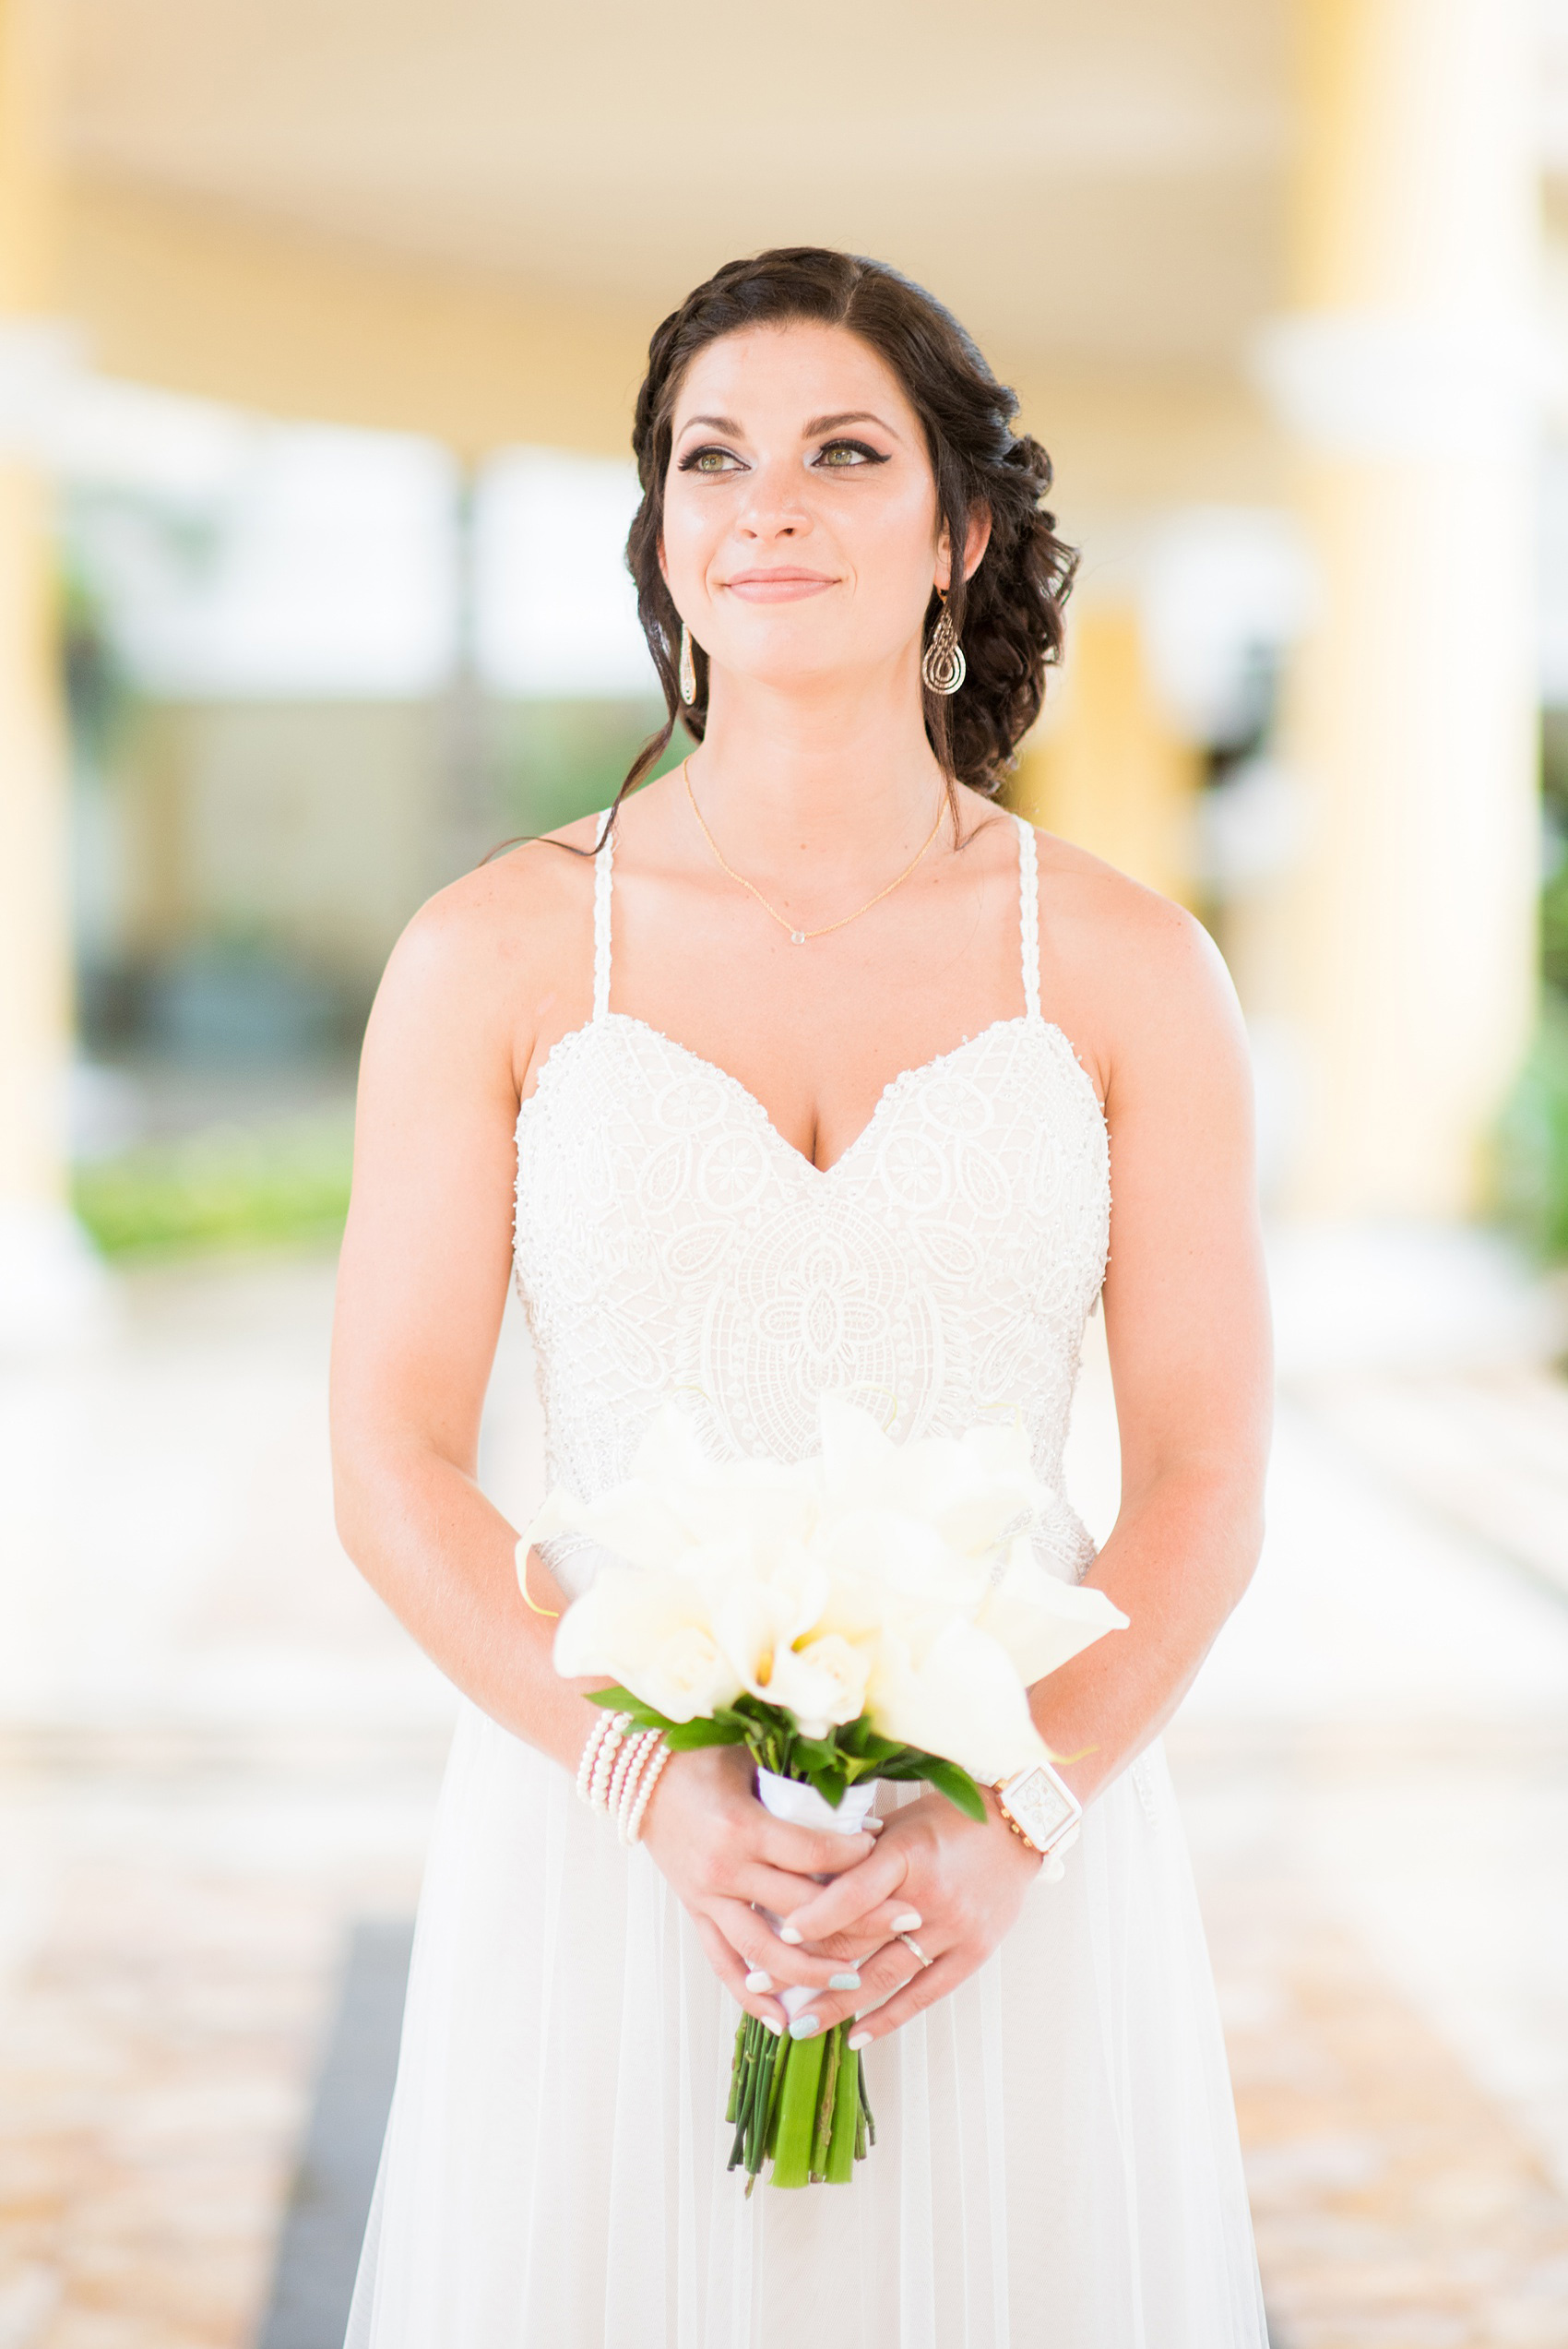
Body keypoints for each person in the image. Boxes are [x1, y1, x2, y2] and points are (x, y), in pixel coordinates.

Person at [331, 247, 1272, 2347]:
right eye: (710, 457)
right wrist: (649, 1784)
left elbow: (1206, 1472)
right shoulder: (492, 952)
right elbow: (388, 1456)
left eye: (843, 453)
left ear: (957, 536)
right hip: (608, 1847)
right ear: (663, 538)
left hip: (1013, 1847)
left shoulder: (1125, 967)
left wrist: (1011, 1813)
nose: (766, 502)